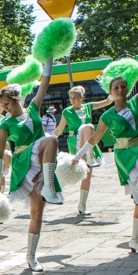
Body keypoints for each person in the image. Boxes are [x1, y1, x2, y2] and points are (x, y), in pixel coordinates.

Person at [72, 56, 138, 255]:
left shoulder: (136, 102)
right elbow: (93, 139)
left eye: (123, 86)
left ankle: (135, 240)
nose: (120, 90)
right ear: (110, 92)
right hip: (126, 156)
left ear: (128, 89)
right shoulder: (107, 116)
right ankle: (137, 193)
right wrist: (78, 156)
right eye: (116, 88)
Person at [0, 57, 61, 272]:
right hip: (23, 161)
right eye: (2, 106)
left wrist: (48, 57)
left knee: (36, 213)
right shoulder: (5, 123)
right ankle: (49, 187)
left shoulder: (33, 109)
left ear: (17, 99)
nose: (6, 108)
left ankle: (31, 257)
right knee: (51, 140)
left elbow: (46, 82)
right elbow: (0, 152)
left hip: (42, 163)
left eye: (8, 104)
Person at [53, 86, 113, 215]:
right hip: (75, 142)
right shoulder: (67, 112)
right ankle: (53, 192)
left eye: (75, 97)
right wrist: (48, 140)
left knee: (87, 175)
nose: (73, 100)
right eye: (71, 98)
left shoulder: (88, 107)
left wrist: (113, 90)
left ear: (81, 98)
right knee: (88, 126)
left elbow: (108, 102)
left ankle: (82, 205)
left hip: (88, 143)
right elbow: (59, 130)